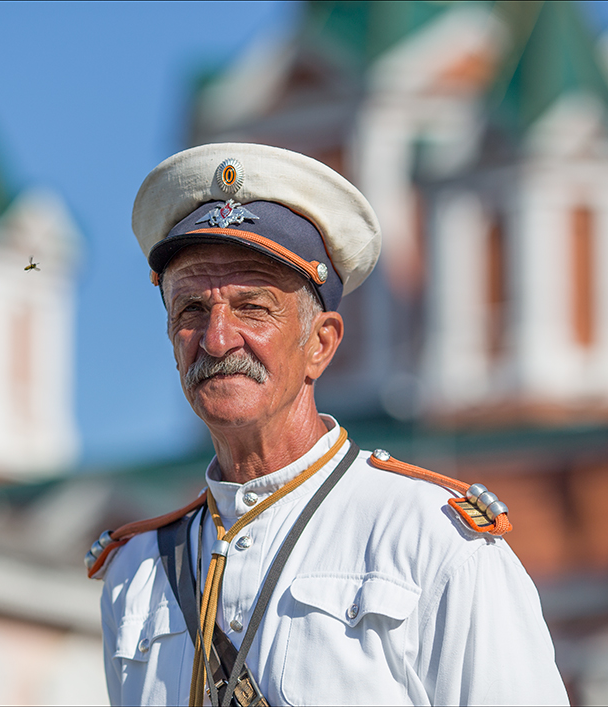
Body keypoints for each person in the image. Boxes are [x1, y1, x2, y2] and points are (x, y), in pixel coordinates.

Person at [86, 143, 568, 706]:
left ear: (321, 343)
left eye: (253, 308)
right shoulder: (137, 572)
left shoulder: (431, 542)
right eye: (191, 310)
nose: (216, 339)